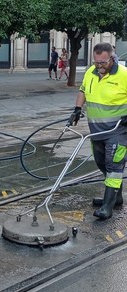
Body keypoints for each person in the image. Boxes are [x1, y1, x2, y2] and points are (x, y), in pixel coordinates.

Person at [70, 42, 127, 219]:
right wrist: (77, 109)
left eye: (103, 62)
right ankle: (116, 197)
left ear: (112, 57)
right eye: (96, 62)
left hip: (118, 130)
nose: (99, 66)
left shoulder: (124, 75)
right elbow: (83, 91)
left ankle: (107, 206)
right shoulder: (90, 72)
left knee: (114, 166)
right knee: (101, 162)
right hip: (96, 131)